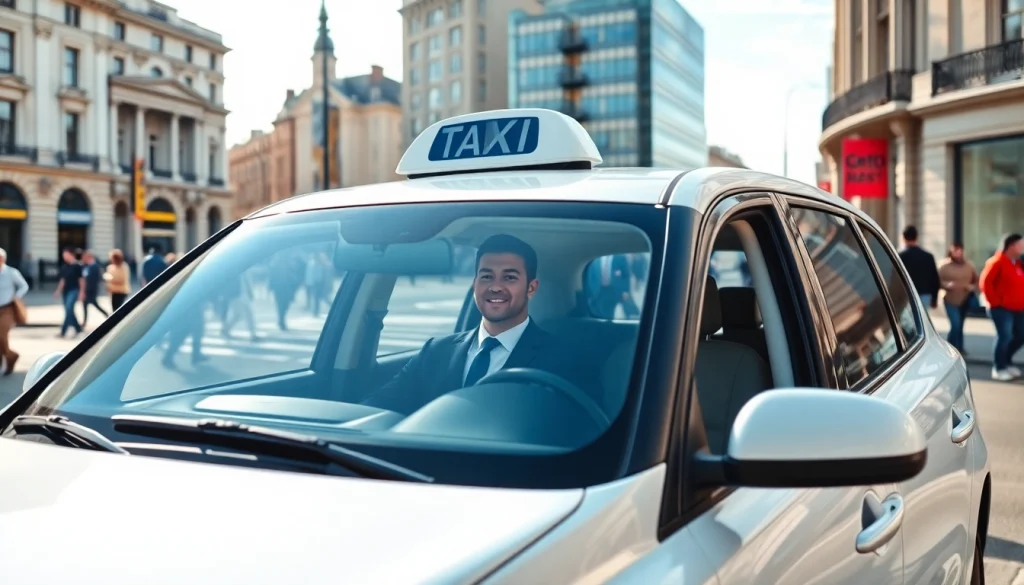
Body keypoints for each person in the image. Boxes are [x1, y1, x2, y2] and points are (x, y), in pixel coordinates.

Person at [362, 234, 591, 415]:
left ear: (531, 288)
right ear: (474, 285)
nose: (495, 286)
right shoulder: (435, 351)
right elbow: (376, 409)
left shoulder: (565, 361)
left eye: (509, 277)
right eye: (486, 276)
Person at [980, 233, 1024, 381]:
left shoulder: (1017, 263)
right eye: (1020, 244)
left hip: (1018, 309)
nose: (1022, 247)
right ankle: (999, 367)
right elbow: (985, 283)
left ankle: (1006, 362)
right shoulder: (996, 261)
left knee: (1020, 336)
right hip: (1001, 308)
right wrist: (995, 302)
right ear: (1011, 246)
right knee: (1005, 336)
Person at [938, 242, 977, 355]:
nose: (958, 254)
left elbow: (976, 280)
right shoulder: (944, 266)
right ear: (951, 252)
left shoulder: (969, 265)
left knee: (960, 325)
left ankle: (959, 348)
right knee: (955, 324)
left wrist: (972, 287)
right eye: (955, 251)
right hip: (949, 299)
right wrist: (946, 285)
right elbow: (937, 281)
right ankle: (950, 348)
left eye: (960, 251)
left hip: (964, 299)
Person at [0, 247, 29, 375]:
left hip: (7, 309)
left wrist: (17, 296)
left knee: (2, 335)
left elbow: (24, 285)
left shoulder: (12, 272)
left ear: (2, 259)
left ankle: (12, 356)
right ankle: (5, 360)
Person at [897, 225, 940, 309]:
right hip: (925, 294)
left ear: (903, 238)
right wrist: (934, 298)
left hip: (905, 295)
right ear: (917, 238)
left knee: (908, 321)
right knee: (921, 321)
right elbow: (935, 279)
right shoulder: (928, 256)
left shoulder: (899, 256)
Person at [53, 247, 84, 338]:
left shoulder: (78, 266)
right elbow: (63, 280)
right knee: (68, 310)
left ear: (71, 255)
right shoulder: (64, 266)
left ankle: (63, 331)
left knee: (69, 308)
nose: (64, 257)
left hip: (74, 290)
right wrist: (58, 291)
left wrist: (82, 292)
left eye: (66, 255)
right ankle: (78, 328)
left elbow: (81, 280)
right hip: (66, 291)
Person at [80, 250, 109, 327]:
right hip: (86, 289)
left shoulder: (96, 266)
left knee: (95, 305)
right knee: (85, 305)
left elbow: (97, 279)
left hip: (91, 290)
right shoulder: (86, 266)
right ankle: (84, 321)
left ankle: (107, 315)